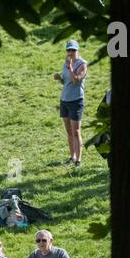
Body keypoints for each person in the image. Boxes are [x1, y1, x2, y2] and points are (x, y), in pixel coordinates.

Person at [53, 38, 88, 167]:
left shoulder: (82, 64)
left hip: (76, 101)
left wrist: (70, 66)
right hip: (65, 100)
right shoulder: (66, 63)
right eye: (68, 50)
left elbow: (76, 81)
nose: (70, 52)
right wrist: (59, 78)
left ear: (77, 50)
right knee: (69, 131)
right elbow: (67, 81)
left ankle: (78, 160)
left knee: (76, 131)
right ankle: (72, 157)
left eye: (73, 50)